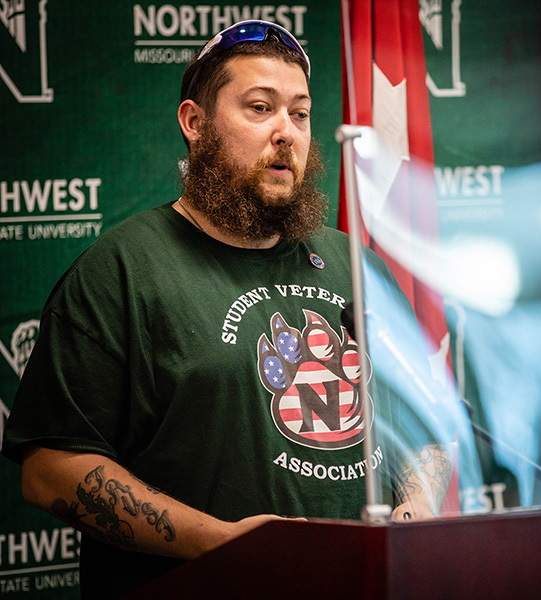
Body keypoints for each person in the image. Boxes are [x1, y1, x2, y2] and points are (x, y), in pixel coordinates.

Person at [2, 21, 450, 598]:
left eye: (300, 113)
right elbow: (49, 471)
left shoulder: (355, 266)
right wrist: (222, 543)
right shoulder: (120, 271)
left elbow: (427, 422)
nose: (285, 132)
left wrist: (413, 511)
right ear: (194, 123)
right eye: (260, 108)